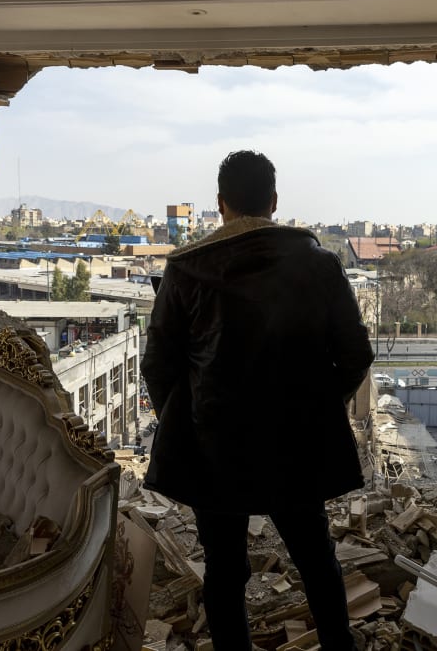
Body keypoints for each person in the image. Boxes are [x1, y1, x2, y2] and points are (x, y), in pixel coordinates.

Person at [141, 150, 374, 650]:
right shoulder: (318, 264)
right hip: (293, 443)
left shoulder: (185, 270)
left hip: (215, 449)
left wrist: (189, 422)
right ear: (273, 200)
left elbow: (157, 367)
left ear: (221, 203)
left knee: (225, 572)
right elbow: (356, 353)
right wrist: (315, 407)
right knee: (316, 559)